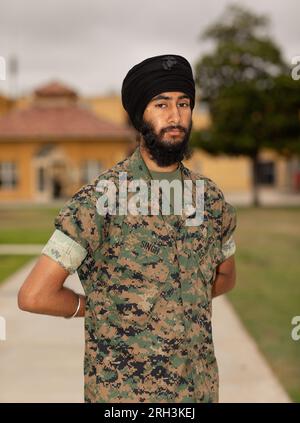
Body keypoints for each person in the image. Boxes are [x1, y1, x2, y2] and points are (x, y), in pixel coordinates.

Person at [18, 54, 237, 403]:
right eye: (161, 104)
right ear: (139, 116)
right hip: (123, 397)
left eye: (184, 104)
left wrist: (173, 300)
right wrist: (102, 307)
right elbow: (35, 295)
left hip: (199, 392)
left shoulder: (210, 199)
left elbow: (225, 277)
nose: (176, 116)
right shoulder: (100, 200)